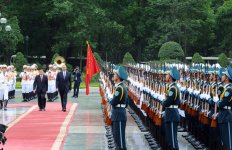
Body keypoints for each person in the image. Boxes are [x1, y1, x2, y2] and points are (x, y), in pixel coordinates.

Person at [109, 65, 128, 150]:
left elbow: (113, 102)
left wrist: (110, 99)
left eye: (115, 74)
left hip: (119, 114)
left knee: (120, 138)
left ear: (119, 77)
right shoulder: (120, 87)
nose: (114, 75)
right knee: (117, 136)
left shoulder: (120, 88)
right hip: (118, 112)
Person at [162, 66, 180, 150]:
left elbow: (166, 102)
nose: (165, 76)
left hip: (172, 114)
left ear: (170, 77)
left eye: (167, 75)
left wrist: (163, 101)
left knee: (172, 141)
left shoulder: (173, 89)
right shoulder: (171, 88)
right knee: (170, 140)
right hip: (170, 114)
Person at [216, 66, 232, 150]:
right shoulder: (225, 89)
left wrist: (217, 101)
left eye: (223, 75)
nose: (221, 76)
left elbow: (222, 104)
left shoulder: (229, 90)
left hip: (227, 116)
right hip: (223, 115)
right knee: (223, 142)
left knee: (228, 143)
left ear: (226, 78)